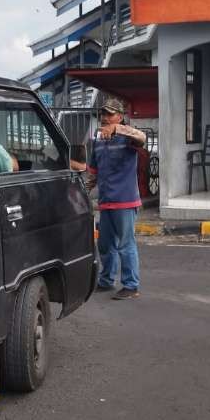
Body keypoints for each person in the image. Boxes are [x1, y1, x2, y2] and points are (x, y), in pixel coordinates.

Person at [88, 98, 147, 301]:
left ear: (120, 117)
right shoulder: (97, 139)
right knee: (105, 244)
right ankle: (106, 281)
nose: (105, 117)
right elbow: (93, 173)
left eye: (110, 114)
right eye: (103, 114)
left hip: (125, 201)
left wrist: (117, 129)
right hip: (106, 201)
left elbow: (142, 137)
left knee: (125, 244)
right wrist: (82, 191)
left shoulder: (127, 136)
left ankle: (131, 285)